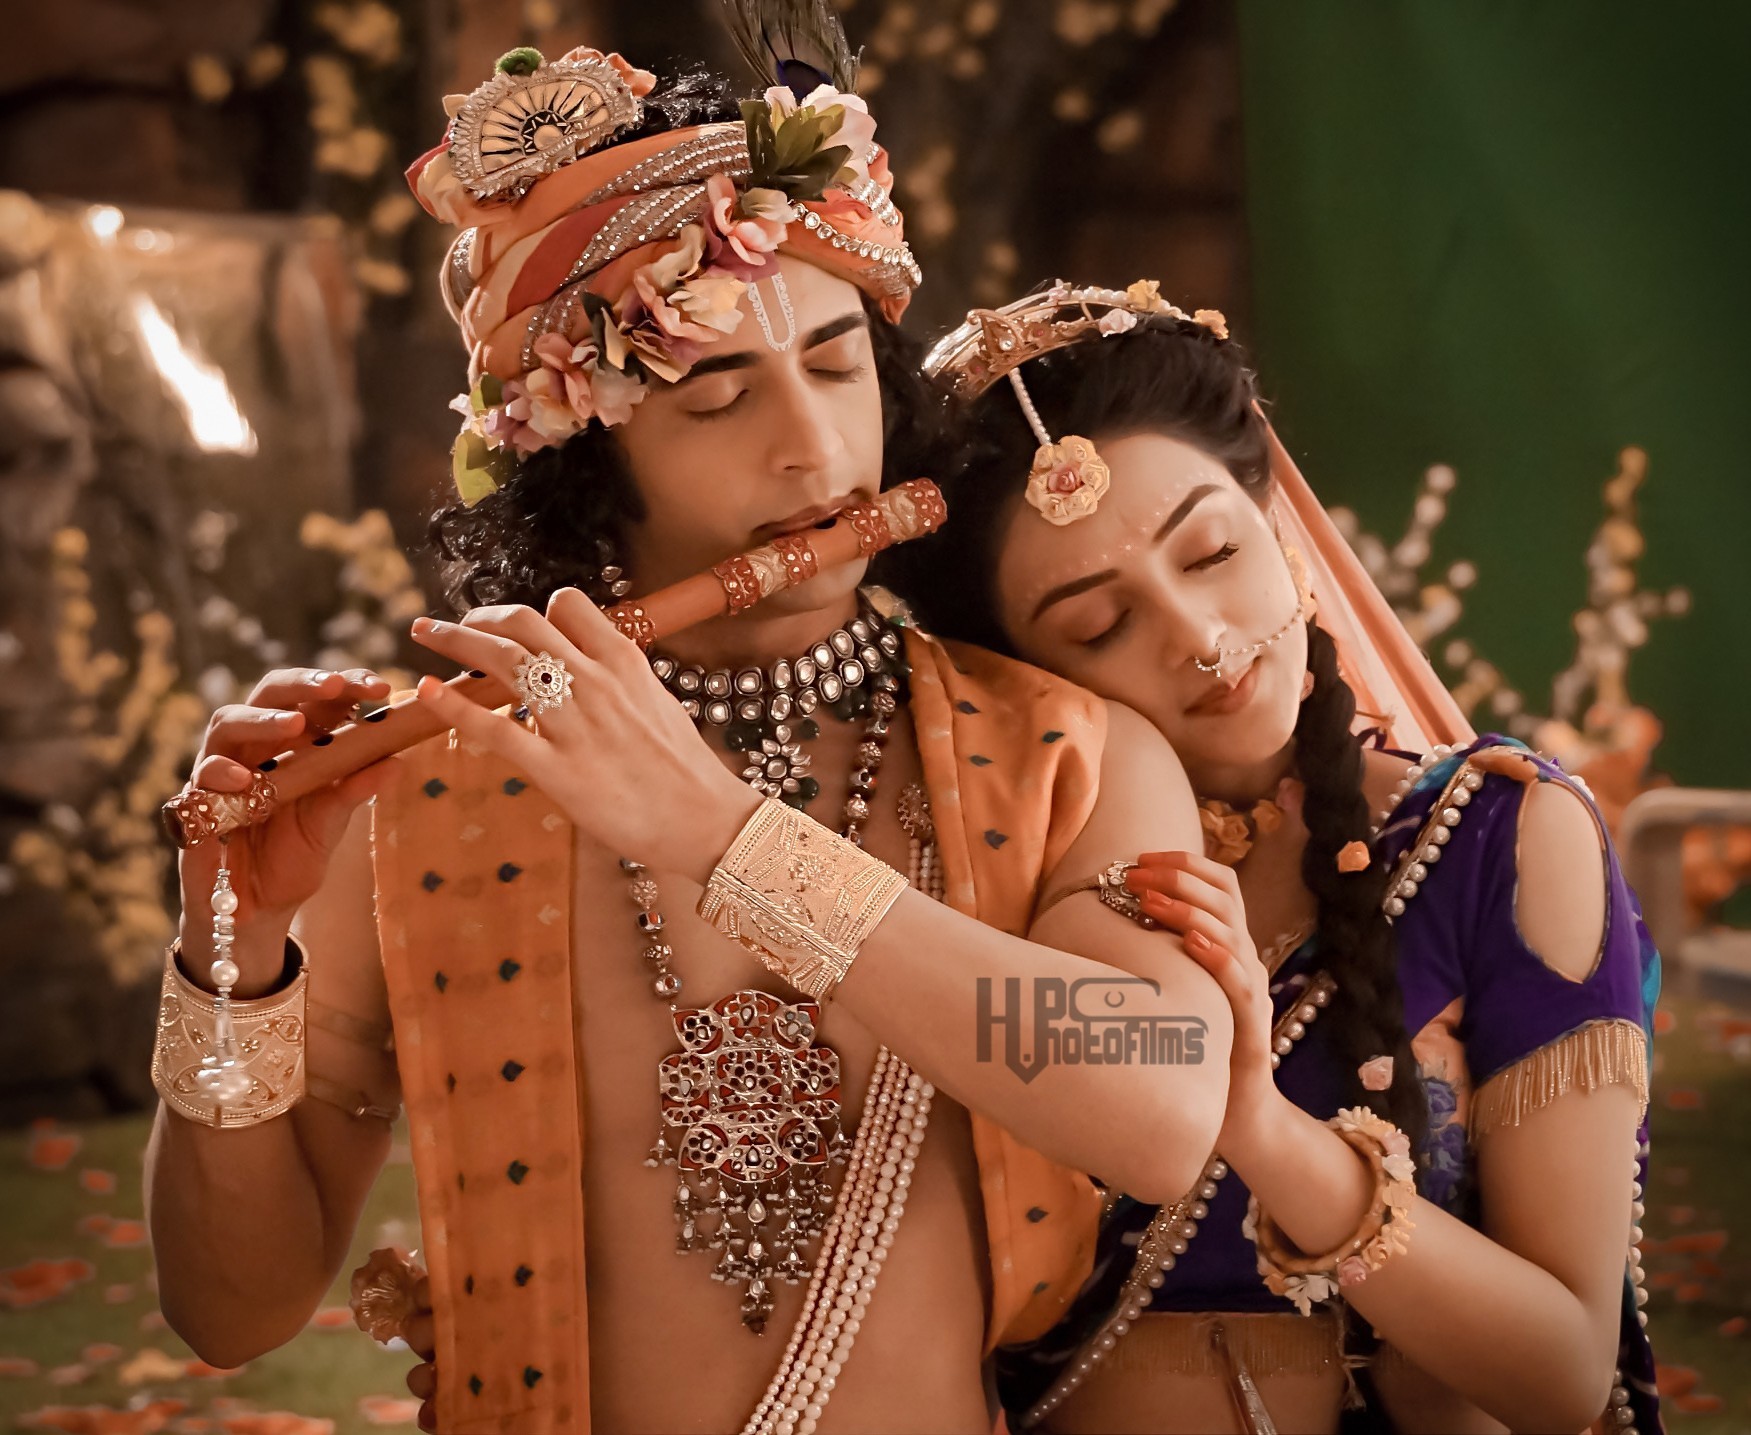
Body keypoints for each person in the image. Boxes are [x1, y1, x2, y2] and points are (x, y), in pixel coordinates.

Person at [143, 25, 1234, 1435]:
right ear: (586, 453)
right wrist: (229, 965)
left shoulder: (1059, 752)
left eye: (837, 368)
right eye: (716, 394)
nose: (813, 449)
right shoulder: (422, 792)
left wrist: (726, 841)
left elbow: (1157, 1102)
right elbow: (230, 1309)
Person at [895, 281, 1660, 1434]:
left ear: (1276, 517)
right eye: (1099, 626)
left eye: (1210, 550)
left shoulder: (1495, 836)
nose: (1199, 638)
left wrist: (1253, 1123)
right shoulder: (972, 884)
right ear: (1012, 673)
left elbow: (1560, 1374)